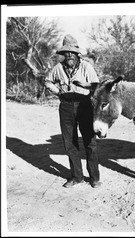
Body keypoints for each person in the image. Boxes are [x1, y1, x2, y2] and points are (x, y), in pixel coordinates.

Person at [44, 34, 101, 188]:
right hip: (66, 106)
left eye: (72, 52)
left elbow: (96, 85)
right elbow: (47, 81)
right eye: (66, 53)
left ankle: (94, 178)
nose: (69, 55)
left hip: (84, 105)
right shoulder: (58, 68)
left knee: (90, 142)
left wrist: (84, 84)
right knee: (70, 143)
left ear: (77, 53)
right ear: (63, 54)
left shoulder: (86, 67)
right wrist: (58, 92)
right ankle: (77, 176)